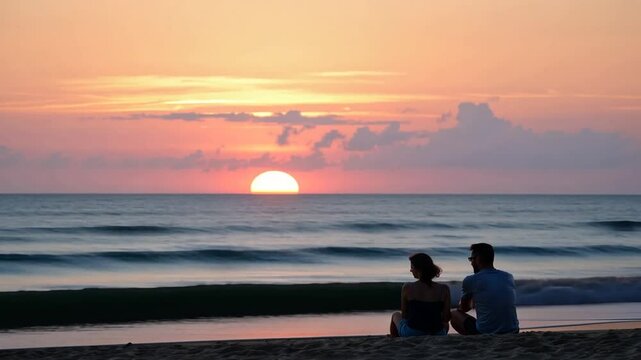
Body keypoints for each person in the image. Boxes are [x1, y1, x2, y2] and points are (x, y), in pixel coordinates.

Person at [450, 243, 519, 335]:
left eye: (471, 259)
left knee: (454, 314)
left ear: (478, 259)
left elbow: (464, 308)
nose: (471, 263)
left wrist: (469, 300)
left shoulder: (472, 280)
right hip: (513, 330)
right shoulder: (508, 276)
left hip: (487, 332)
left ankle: (472, 340)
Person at [390, 253, 451, 337]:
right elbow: (446, 317)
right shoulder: (444, 288)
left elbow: (404, 315)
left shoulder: (407, 287)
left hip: (413, 332)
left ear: (419, 269)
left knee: (396, 315)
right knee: (446, 324)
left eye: (412, 267)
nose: (410, 270)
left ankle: (395, 339)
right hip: (437, 333)